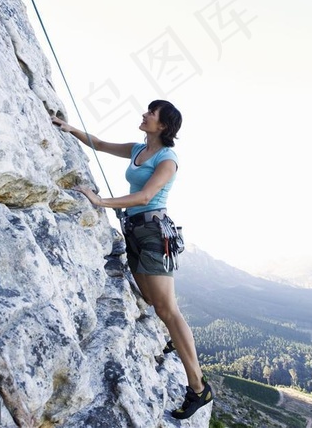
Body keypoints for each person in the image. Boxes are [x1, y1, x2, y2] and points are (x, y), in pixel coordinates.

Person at [51, 100, 213, 420]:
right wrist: (71, 129)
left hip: (154, 234)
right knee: (154, 301)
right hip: (135, 232)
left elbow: (144, 196)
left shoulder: (168, 159)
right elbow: (99, 144)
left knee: (168, 309)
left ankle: (198, 387)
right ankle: (173, 341)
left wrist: (100, 201)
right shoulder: (139, 149)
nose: (144, 114)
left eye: (151, 113)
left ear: (163, 125)